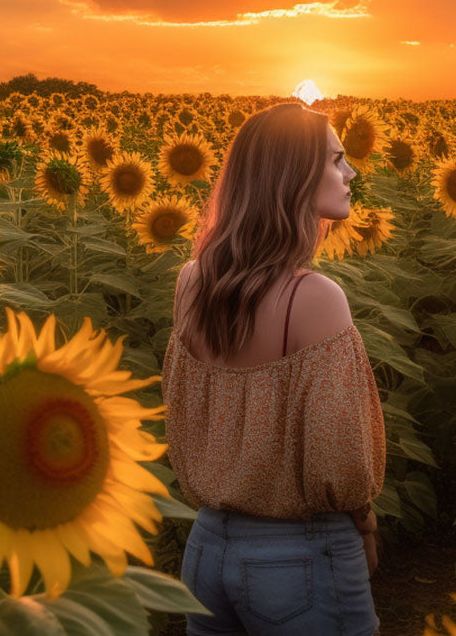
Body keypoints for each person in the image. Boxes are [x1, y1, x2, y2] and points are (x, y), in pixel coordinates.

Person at [160, 102, 386, 636]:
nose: (351, 173)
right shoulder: (314, 298)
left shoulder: (192, 281)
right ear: (292, 177)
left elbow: (184, 410)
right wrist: (366, 524)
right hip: (298, 556)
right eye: (335, 161)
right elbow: (341, 457)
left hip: (206, 548)